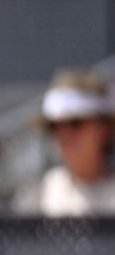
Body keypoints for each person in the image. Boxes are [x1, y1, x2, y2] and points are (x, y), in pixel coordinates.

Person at [13, 68, 115, 216]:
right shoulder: (39, 195)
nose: (64, 135)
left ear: (103, 128)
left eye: (75, 123)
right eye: (54, 126)